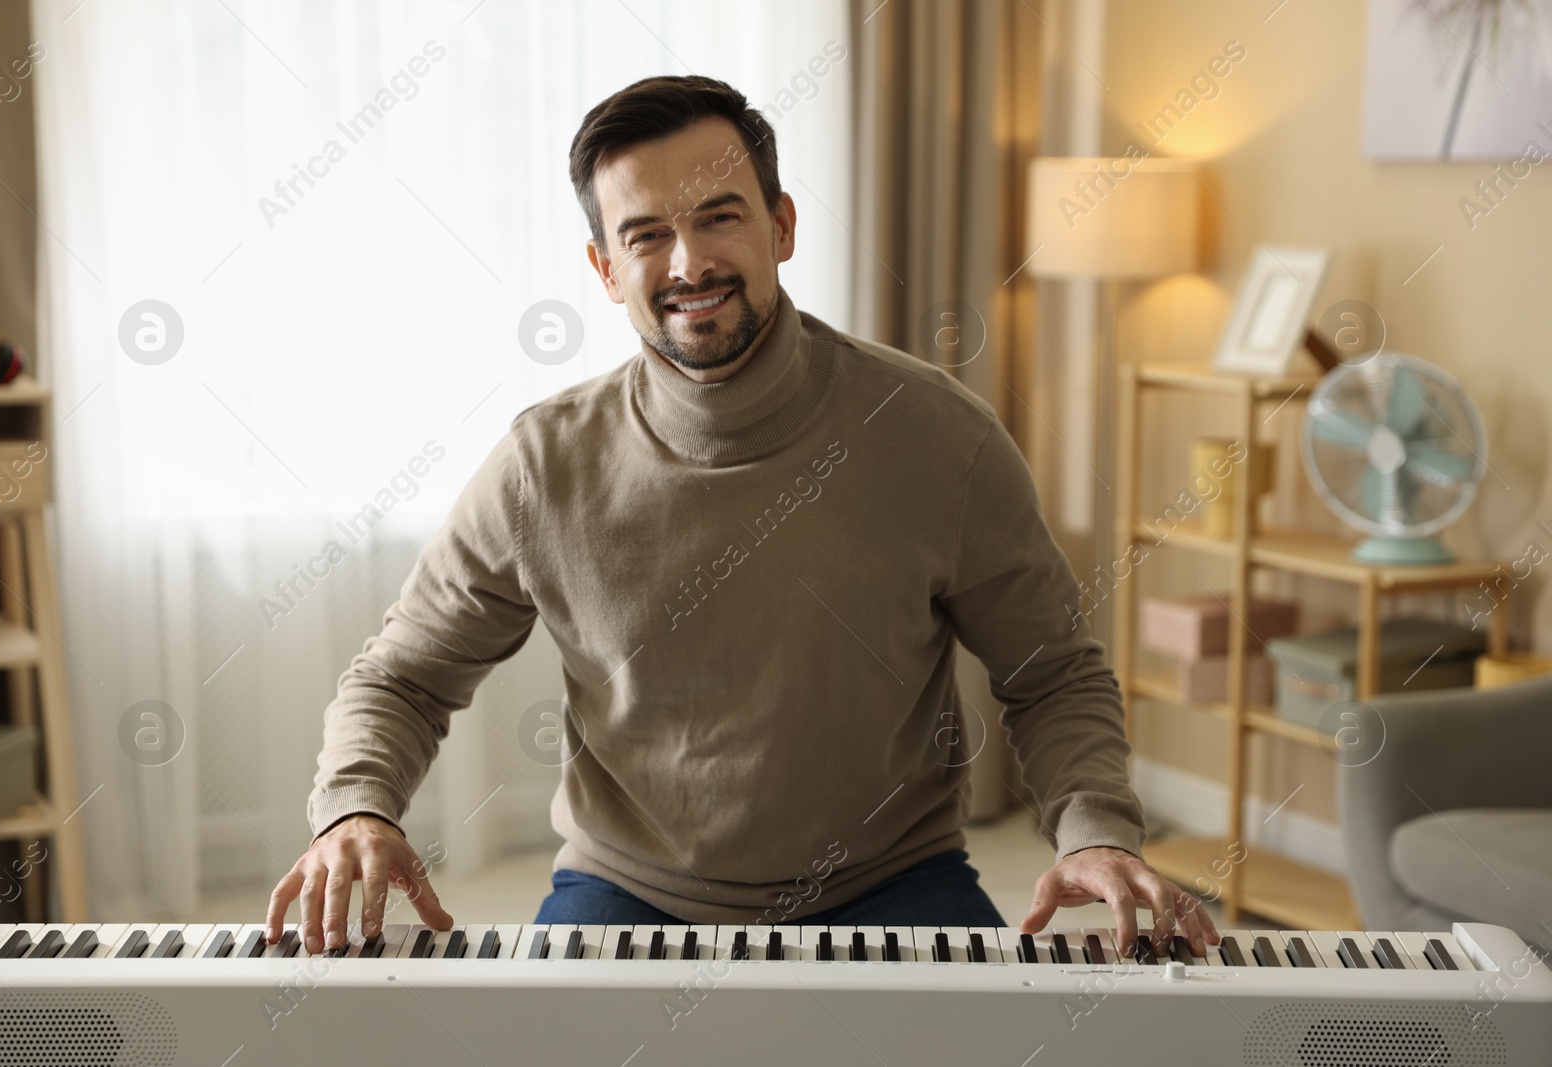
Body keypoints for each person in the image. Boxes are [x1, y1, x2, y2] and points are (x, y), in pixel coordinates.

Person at [265, 74, 1219, 962]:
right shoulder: (542, 465)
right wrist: (357, 808)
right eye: (645, 235)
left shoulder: (941, 438)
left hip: (891, 879)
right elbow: (403, 676)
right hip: (629, 888)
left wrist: (1095, 829)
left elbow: (1050, 673)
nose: (688, 263)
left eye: (719, 217)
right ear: (605, 268)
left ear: (782, 225)